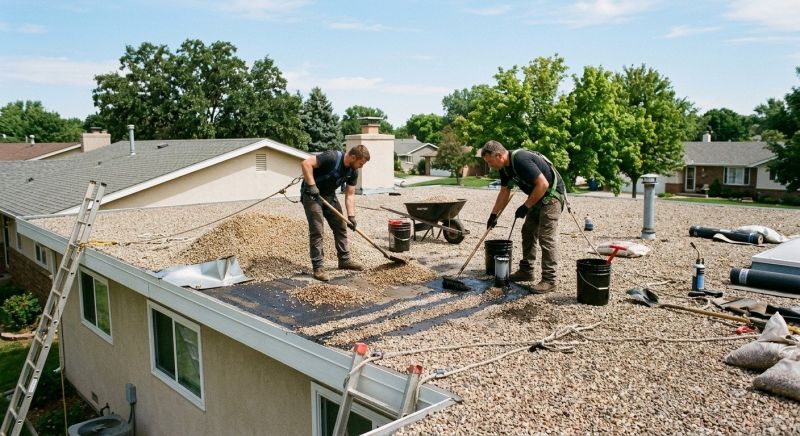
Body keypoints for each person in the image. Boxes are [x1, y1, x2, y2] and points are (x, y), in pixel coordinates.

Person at [481, 140, 565, 293]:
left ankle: (549, 280)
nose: (490, 166)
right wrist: (493, 215)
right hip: (537, 197)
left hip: (551, 197)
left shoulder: (521, 159)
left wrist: (526, 206)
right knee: (527, 231)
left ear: (499, 155)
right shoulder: (504, 168)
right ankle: (527, 271)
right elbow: (504, 191)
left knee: (546, 237)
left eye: (491, 162)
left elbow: (543, 184)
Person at [300, 145, 370, 281]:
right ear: (353, 157)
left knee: (340, 226)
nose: (361, 167)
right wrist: (312, 186)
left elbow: (350, 194)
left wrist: (351, 216)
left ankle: (344, 260)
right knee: (317, 230)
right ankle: (318, 268)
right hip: (312, 196)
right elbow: (306, 163)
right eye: (361, 163)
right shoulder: (331, 157)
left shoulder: (353, 171)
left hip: (328, 196)